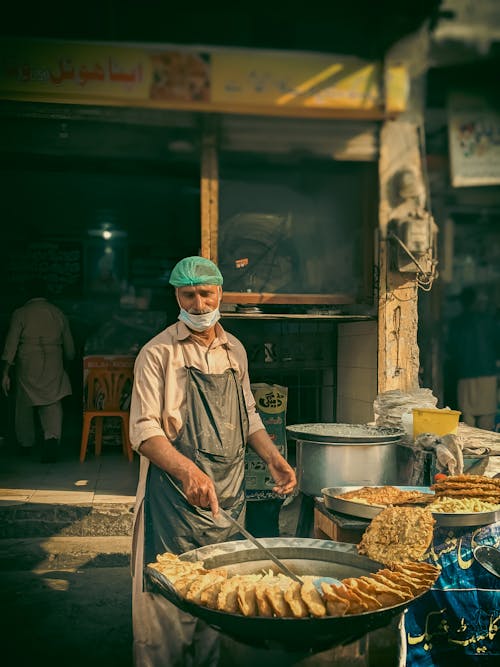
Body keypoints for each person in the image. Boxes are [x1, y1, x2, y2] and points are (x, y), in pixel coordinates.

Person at [129, 256, 297, 667]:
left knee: (221, 594)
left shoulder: (234, 350)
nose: (200, 304)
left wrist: (273, 457)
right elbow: (144, 431)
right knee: (171, 598)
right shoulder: (157, 354)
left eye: (207, 294)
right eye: (190, 295)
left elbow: (249, 415)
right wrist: (187, 471)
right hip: (175, 499)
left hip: (229, 493)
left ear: (220, 293)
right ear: (177, 296)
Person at [1, 279, 75, 462]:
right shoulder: (57, 313)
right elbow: (70, 348)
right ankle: (51, 439)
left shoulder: (21, 313)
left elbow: (11, 345)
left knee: (24, 404)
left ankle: (26, 443)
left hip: (28, 362)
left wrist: (5, 371)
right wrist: (68, 362)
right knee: (52, 402)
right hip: (53, 360)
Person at [448, 286, 499, 430]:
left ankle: (469, 450)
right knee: (487, 418)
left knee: (467, 418)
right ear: (476, 301)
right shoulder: (489, 321)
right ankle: (486, 450)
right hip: (487, 374)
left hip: (464, 375)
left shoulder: (456, 323)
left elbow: (451, 349)